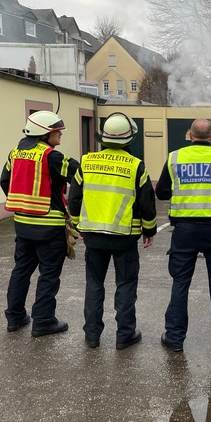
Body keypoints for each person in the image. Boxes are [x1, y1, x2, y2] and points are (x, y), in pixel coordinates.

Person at [155, 118, 211, 352]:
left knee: (180, 283)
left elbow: (162, 192)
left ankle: (175, 338)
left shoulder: (175, 158)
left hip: (184, 232)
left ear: (190, 135)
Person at [68, 112, 157, 350]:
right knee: (125, 285)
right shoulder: (136, 166)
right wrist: (149, 230)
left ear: (103, 138)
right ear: (128, 139)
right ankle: (124, 335)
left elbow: (74, 198)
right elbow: (146, 203)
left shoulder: (86, 162)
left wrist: (78, 226)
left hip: (93, 237)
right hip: (124, 238)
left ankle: (92, 336)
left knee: (94, 284)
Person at [0, 110, 79, 337]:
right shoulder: (51, 156)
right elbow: (77, 174)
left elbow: (5, 182)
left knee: (21, 271)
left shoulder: (14, 153)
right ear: (44, 134)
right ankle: (43, 321)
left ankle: (15, 318)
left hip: (22, 225)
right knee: (49, 275)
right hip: (49, 227)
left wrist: (23, 202)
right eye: (57, 132)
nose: (60, 136)